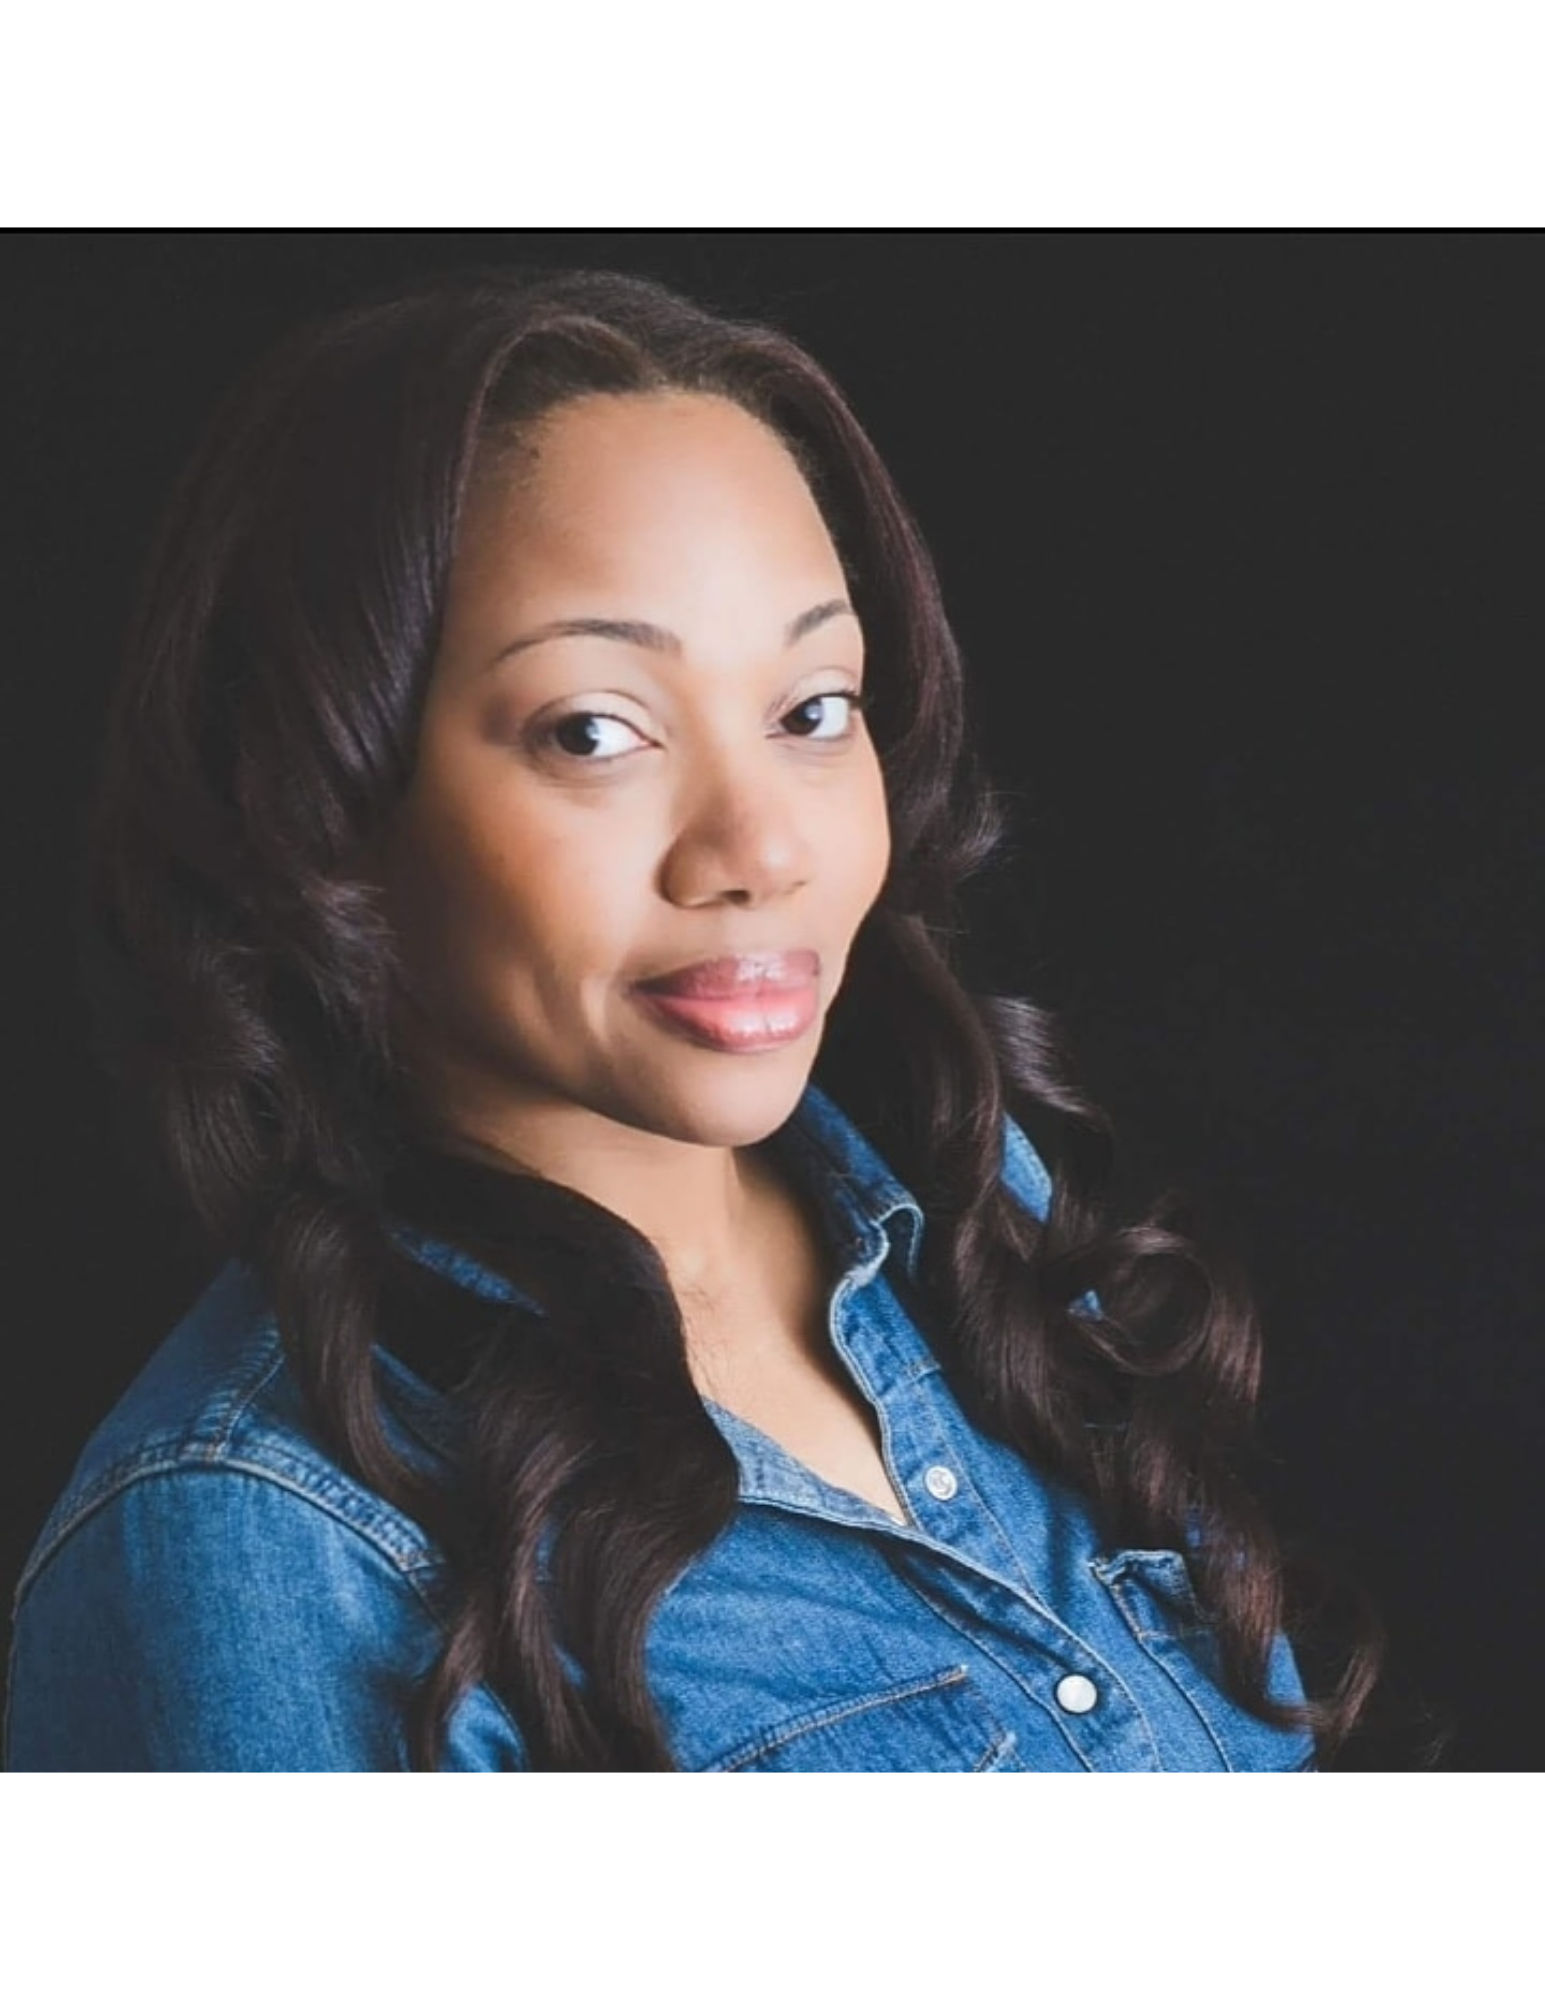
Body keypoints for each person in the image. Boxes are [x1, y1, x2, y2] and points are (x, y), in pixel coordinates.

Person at [5, 269, 1378, 1802]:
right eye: (596, 730)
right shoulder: (259, 1552)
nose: (761, 848)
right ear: (316, 797)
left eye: (812, 710)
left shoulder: (977, 1221)